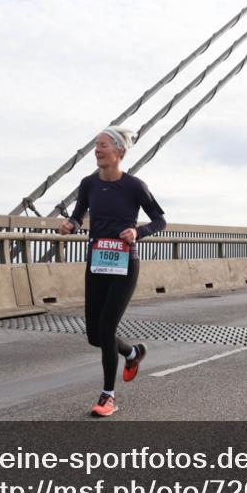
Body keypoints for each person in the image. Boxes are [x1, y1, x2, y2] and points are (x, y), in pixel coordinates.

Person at [59, 125, 166, 417]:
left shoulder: (135, 186)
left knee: (107, 329)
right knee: (94, 335)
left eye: (103, 145)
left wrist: (138, 232)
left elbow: (160, 220)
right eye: (96, 144)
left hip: (124, 264)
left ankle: (109, 396)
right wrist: (71, 225)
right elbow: (78, 216)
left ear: (119, 151)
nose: (97, 149)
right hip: (96, 263)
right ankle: (133, 353)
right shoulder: (88, 184)